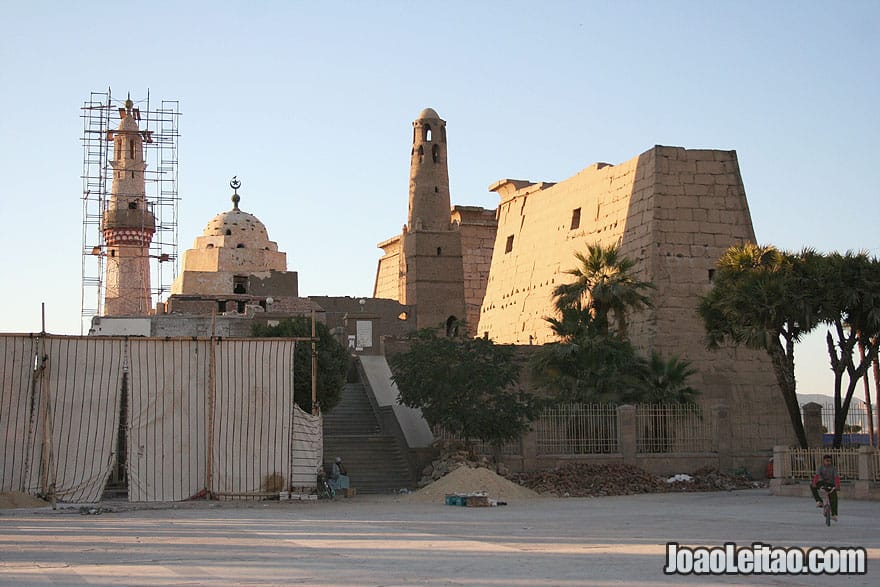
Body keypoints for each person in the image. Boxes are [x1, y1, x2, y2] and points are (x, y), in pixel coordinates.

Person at [810, 454, 840, 521]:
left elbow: (836, 478)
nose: (829, 462)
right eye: (827, 461)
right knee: (811, 485)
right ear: (824, 461)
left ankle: (834, 514)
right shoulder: (820, 467)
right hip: (823, 483)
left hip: (831, 484)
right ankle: (819, 501)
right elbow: (816, 476)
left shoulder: (833, 468)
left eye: (830, 461)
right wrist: (814, 483)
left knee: (834, 498)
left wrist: (838, 486)